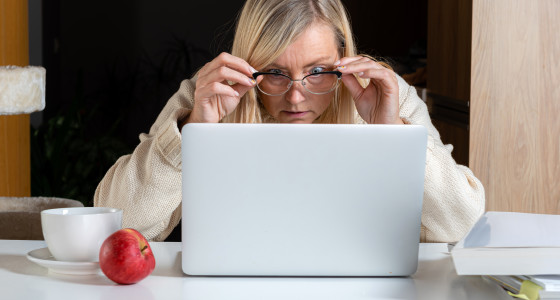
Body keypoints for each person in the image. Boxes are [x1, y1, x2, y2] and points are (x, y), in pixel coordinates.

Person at [94, 0, 485, 243]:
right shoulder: (209, 95)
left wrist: (395, 137)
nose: (296, 96)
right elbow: (118, 229)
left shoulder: (386, 95)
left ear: (344, 57)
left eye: (318, 70)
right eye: (275, 73)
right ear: (249, 63)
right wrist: (191, 132)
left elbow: (463, 224)